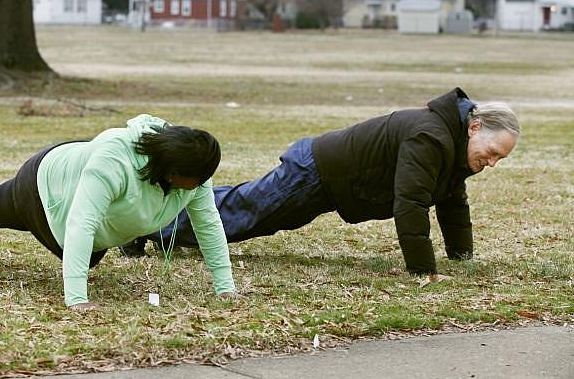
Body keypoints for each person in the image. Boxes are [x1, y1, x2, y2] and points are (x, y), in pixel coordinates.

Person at [128, 88, 519, 278]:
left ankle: (159, 218)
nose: (493, 162)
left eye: (500, 158)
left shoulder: (454, 146)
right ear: (476, 126)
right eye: (494, 151)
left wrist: (462, 258)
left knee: (244, 212)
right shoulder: (431, 136)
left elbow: (452, 201)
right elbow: (411, 203)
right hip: (314, 170)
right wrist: (423, 270)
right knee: (242, 214)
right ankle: (143, 223)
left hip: (331, 182)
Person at [0, 114, 237, 310]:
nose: (199, 186)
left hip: (77, 177)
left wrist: (226, 288)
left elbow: (208, 224)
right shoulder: (115, 161)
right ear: (170, 168)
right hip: (43, 185)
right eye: (194, 180)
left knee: (87, 257)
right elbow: (82, 222)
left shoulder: (192, 175)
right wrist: (76, 298)